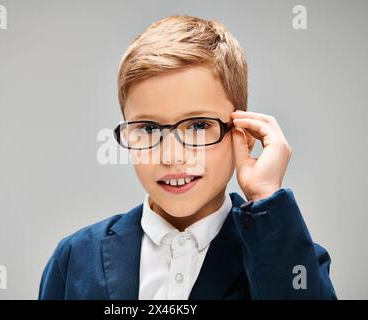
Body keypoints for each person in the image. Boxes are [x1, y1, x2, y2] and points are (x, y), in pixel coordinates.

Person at [39, 15, 337, 300]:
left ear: (241, 134)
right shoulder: (75, 257)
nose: (171, 155)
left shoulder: (290, 258)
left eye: (197, 126)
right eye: (148, 128)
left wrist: (264, 196)